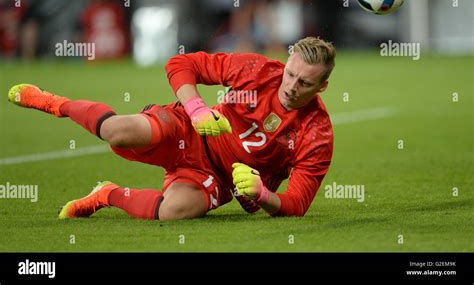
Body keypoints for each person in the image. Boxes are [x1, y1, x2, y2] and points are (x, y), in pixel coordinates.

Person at [7, 37, 335, 221]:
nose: (291, 86)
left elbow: (297, 203)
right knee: (117, 132)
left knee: (173, 212)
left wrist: (262, 195)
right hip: (187, 130)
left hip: (219, 180)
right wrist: (197, 109)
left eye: (304, 82)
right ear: (287, 61)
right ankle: (53, 103)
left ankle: (106, 194)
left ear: (322, 87)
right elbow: (180, 64)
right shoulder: (257, 69)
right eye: (290, 74)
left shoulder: (317, 133)